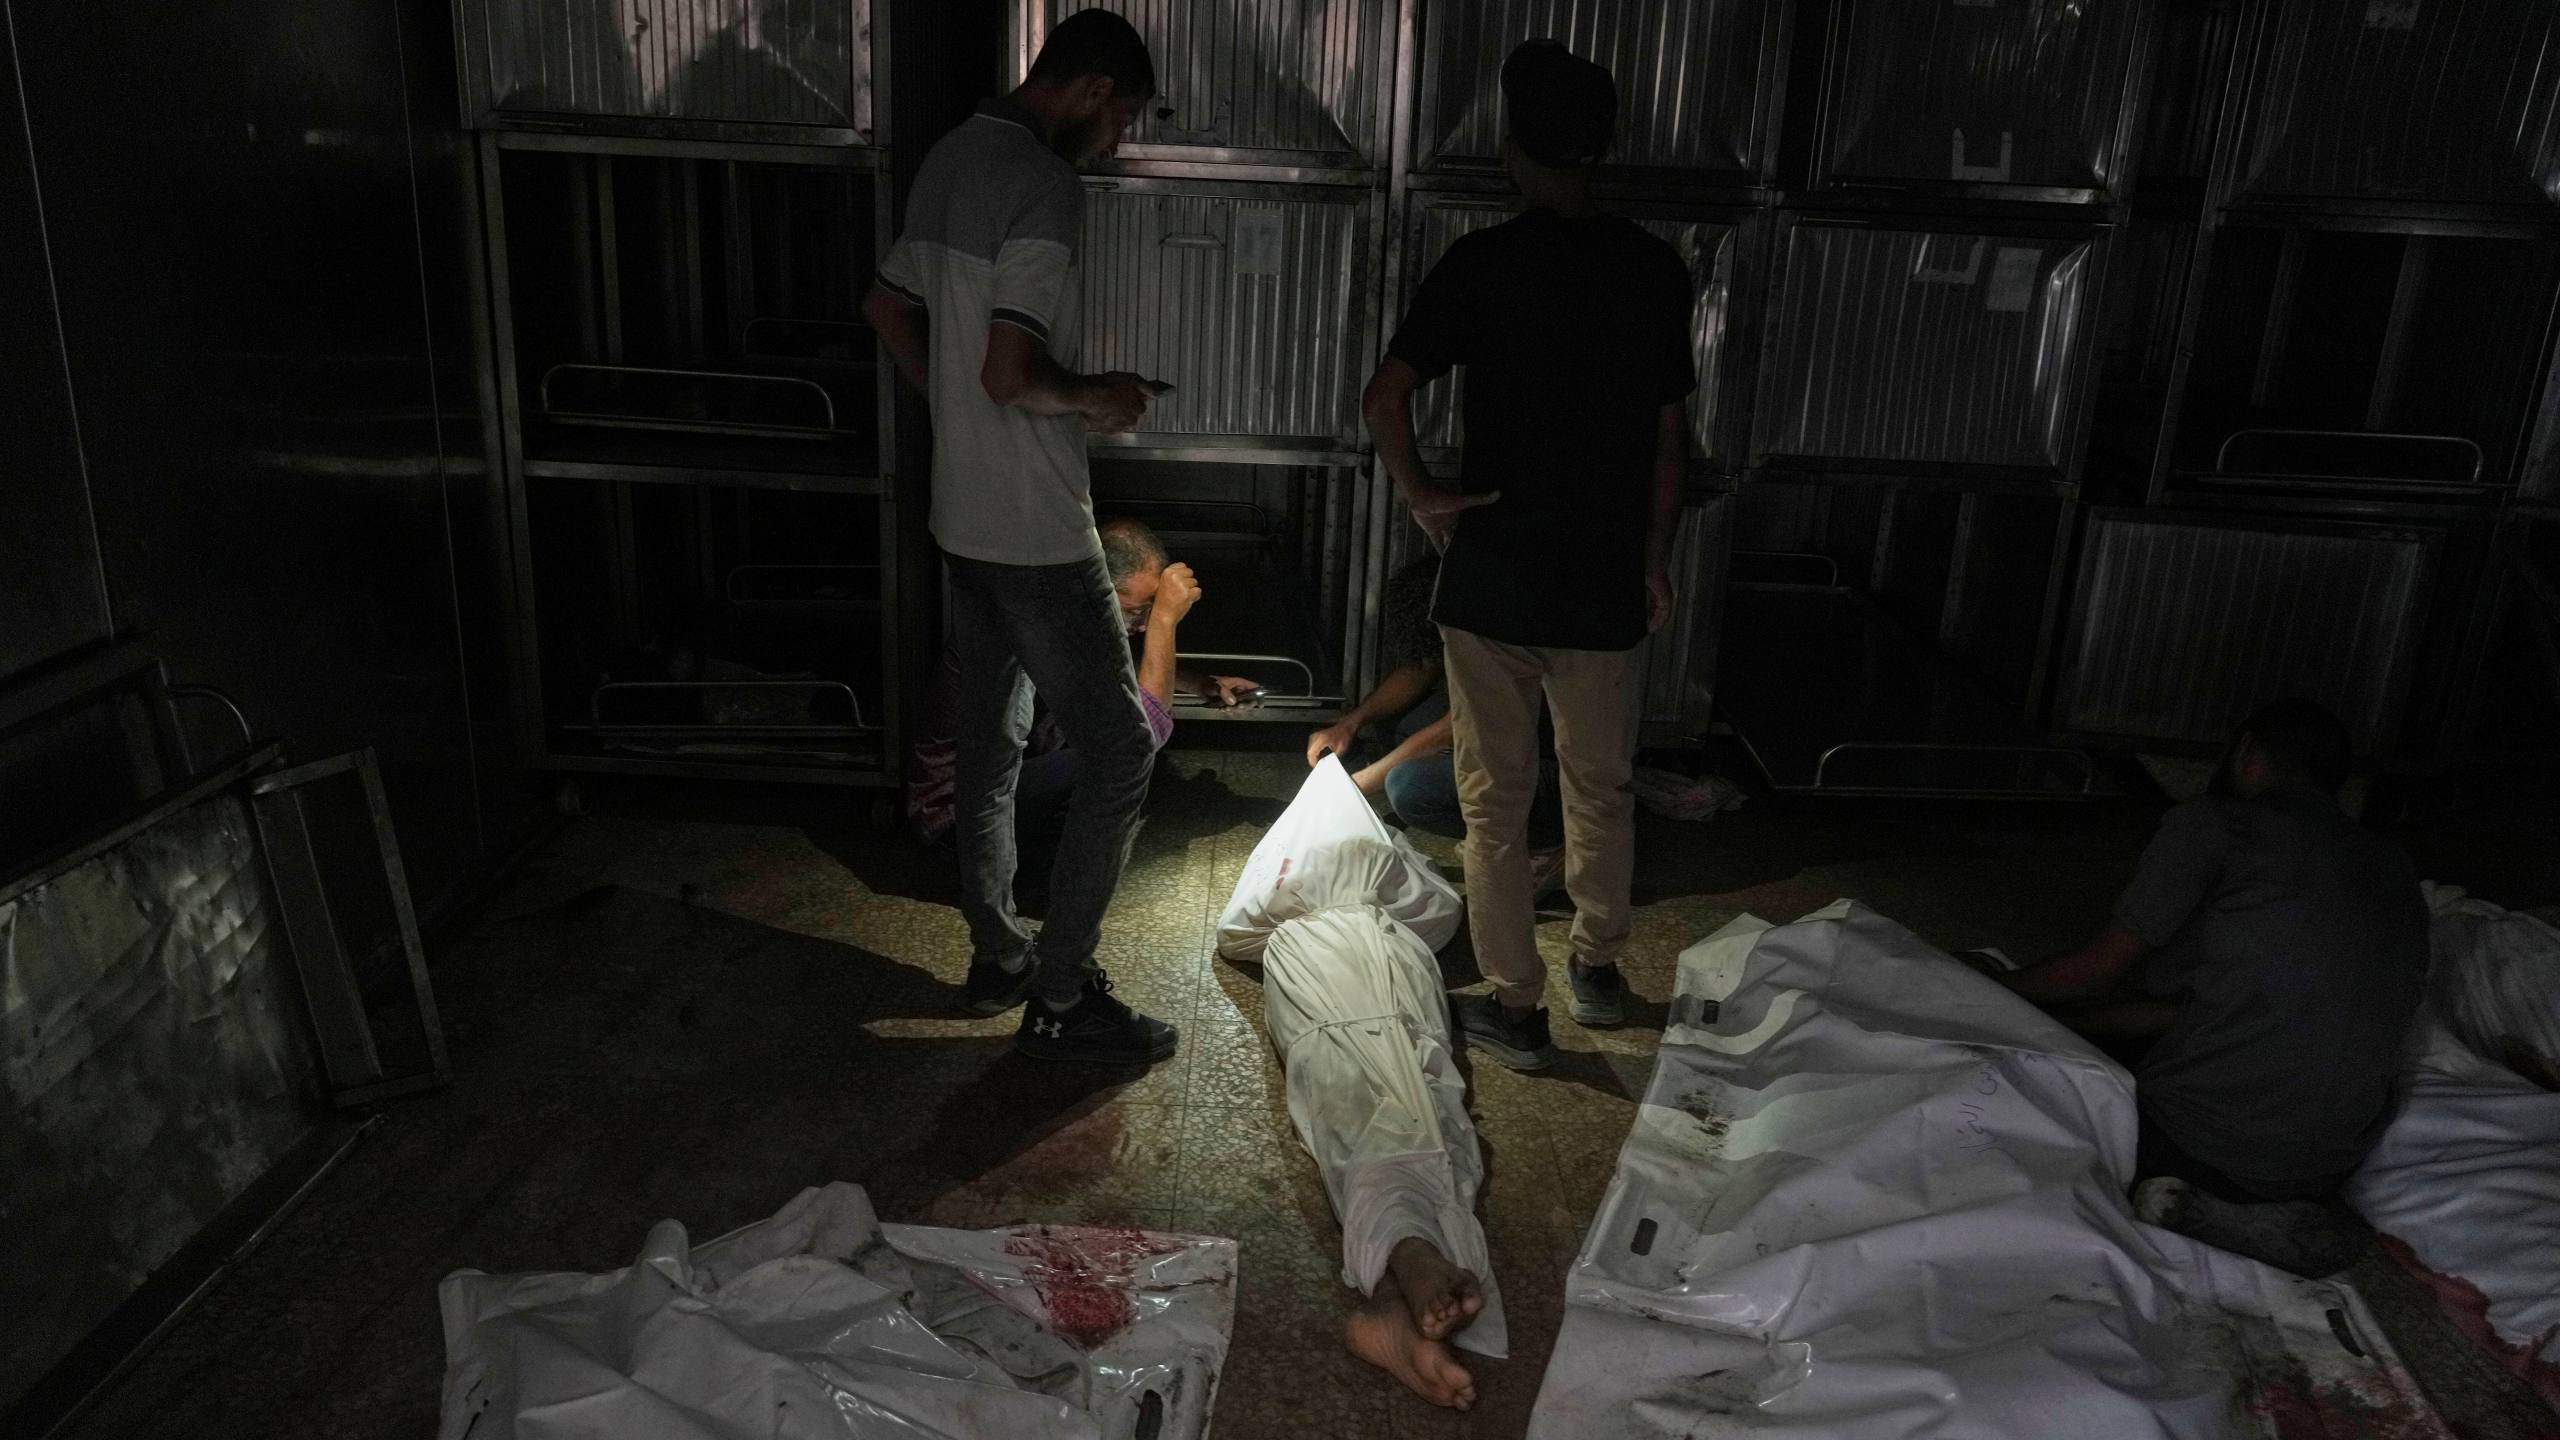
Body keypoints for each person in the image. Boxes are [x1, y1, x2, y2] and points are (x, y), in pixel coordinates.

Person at [1361, 40, 1693, 1069]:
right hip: (1599, 578)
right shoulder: (1652, 269)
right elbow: (1668, 443)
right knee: (1600, 785)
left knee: (1491, 802)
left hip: (1497, 570)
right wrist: (1651, 557)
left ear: (1512, 148)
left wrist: (1425, 497)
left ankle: (1514, 1004)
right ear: (1598, 150)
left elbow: (1385, 399)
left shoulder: (1481, 265)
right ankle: (1597, 966)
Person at [862, 11, 1180, 1065]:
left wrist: (954, 419)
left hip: (963, 515)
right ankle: (1062, 993)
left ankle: (998, 953)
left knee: (993, 745)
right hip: (1038, 531)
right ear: (1089, 89)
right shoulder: (1046, 187)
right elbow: (1013, 373)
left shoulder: (952, 155)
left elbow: (887, 308)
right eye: (1121, 113)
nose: (1118, 136)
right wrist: (1101, 397)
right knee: (1123, 754)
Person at [1982, 699, 2427, 1276]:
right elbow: (2200, 1011)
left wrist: (1987, 990)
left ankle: (2183, 1198)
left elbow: (2097, 970)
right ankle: (2260, 1214)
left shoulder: (2218, 824)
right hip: (2327, 1159)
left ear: (2245, 754)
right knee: (2078, 1035)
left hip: (2202, 1138)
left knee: (2006, 1095)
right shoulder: (2392, 863)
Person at [906, 518, 1260, 900]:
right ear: (1095, 591)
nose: (1139, 626)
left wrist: (1202, 683)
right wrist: (1164, 620)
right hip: (959, 823)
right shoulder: (1033, 629)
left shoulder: (1064, 613)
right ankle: (1035, 889)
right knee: (1119, 758)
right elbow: (1142, 735)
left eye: (1146, 613)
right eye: (1135, 612)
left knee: (1107, 761)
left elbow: (1120, 668)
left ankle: (1048, 877)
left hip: (1007, 789)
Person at [1303, 555, 1566, 889]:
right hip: (1511, 742)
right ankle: (1491, 813)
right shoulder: (1459, 624)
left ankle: (1546, 843)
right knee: (1394, 721)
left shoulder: (1501, 638)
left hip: (1553, 770)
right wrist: (1350, 724)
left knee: (1409, 786)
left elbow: (1450, 729)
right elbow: (1418, 669)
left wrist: (1357, 786)